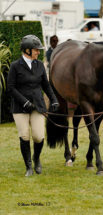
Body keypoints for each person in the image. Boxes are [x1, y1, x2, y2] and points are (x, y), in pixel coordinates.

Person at [7, 35, 59, 177]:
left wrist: (54, 100)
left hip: (37, 106)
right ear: (27, 50)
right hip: (20, 108)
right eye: (36, 50)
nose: (38, 52)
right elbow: (10, 88)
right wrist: (24, 101)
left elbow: (46, 86)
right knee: (24, 135)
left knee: (38, 136)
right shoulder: (15, 66)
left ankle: (36, 158)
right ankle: (28, 166)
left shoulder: (39, 65)